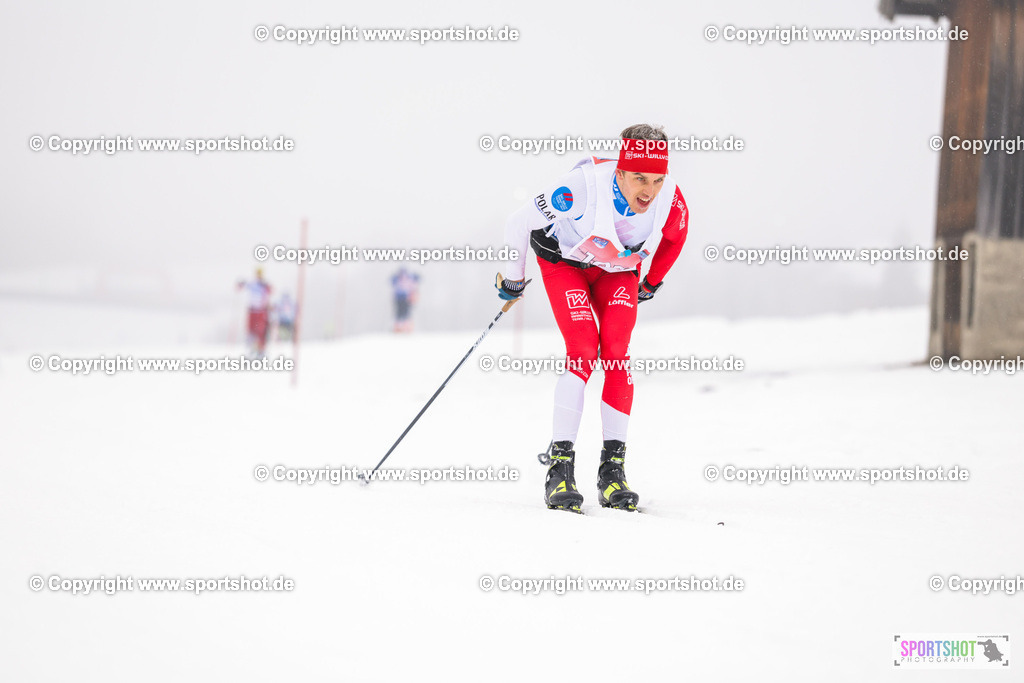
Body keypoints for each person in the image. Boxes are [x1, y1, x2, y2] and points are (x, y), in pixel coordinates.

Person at [497, 124, 689, 512]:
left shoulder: (670, 198)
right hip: (563, 263)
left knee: (616, 352)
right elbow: (518, 223)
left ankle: (612, 472)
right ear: (620, 171)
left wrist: (651, 282)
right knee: (584, 350)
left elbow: (675, 238)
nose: (648, 191)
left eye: (656, 179)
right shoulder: (580, 188)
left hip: (615, 268)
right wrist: (513, 281)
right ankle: (560, 468)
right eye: (638, 178)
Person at [236, 268, 272, 358]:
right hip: (252, 311)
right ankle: (251, 349)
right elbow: (242, 286)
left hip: (261, 311)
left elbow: (270, 291)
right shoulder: (252, 284)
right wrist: (240, 284)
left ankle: (261, 350)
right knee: (251, 330)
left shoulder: (264, 284)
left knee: (260, 330)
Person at [391, 267, 420, 333]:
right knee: (400, 313)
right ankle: (400, 327)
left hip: (406, 299)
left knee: (404, 313)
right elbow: (392, 281)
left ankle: (405, 326)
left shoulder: (408, 279)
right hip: (399, 299)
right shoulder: (398, 279)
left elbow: (415, 283)